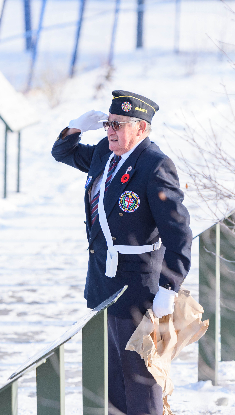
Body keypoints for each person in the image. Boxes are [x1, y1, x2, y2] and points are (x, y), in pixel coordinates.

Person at [51, 90, 192, 415]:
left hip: (139, 287)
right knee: (113, 376)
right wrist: (74, 127)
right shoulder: (106, 152)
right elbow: (62, 153)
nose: (110, 131)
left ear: (141, 128)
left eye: (118, 124)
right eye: (107, 124)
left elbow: (179, 232)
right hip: (105, 282)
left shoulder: (155, 165)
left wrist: (169, 287)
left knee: (140, 378)